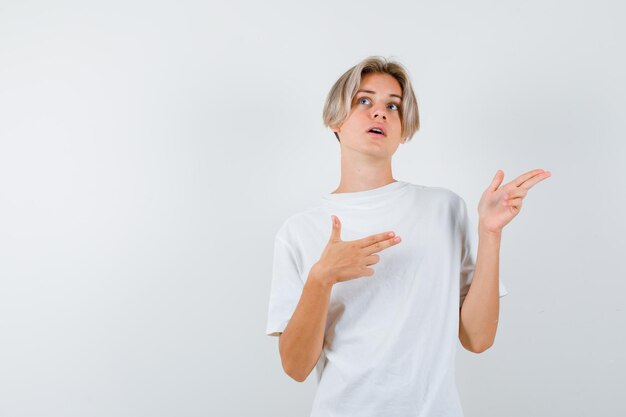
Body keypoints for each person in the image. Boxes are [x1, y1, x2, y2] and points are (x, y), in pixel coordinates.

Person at [265, 56, 551, 417]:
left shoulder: (443, 209)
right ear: (334, 119)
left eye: (393, 106)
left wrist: (489, 232)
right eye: (364, 101)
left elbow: (477, 339)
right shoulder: (299, 231)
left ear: (404, 129)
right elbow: (295, 367)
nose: (380, 113)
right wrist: (322, 278)